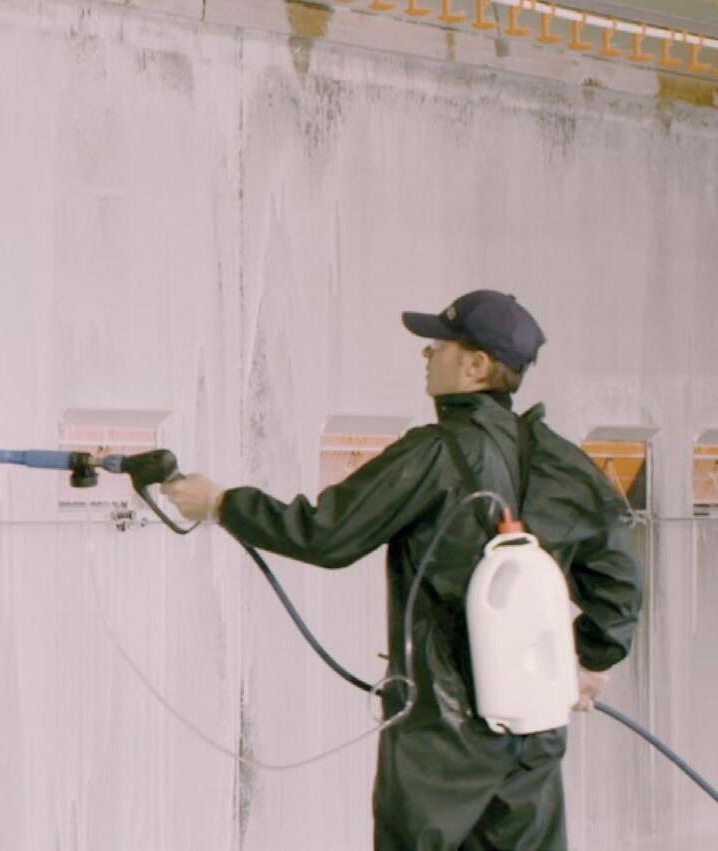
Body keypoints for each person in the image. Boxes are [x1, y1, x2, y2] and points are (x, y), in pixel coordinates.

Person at [160, 290, 642, 851]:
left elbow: (325, 535)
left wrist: (220, 503)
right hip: (532, 734)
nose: (426, 354)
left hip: (442, 739)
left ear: (476, 365)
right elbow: (619, 585)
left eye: (439, 344)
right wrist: (587, 660)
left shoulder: (435, 453)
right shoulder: (563, 461)